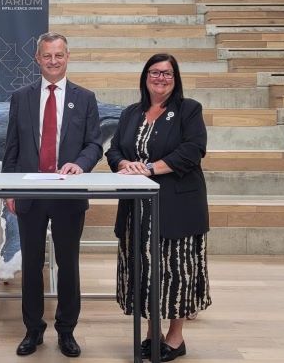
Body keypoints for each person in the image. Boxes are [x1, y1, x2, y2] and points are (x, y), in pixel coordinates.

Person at [3, 32, 103, 358]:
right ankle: (33, 330)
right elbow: (12, 150)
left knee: (68, 264)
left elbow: (94, 145)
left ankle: (66, 331)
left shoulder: (85, 98)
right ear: (38, 59)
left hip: (68, 195)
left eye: (59, 55)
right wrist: (9, 189)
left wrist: (80, 163)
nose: (53, 61)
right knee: (31, 266)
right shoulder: (21, 97)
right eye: (47, 55)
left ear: (67, 56)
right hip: (30, 193)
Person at [107, 53, 211, 362]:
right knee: (145, 270)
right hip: (137, 210)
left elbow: (193, 150)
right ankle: (153, 334)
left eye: (167, 73)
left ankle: (176, 338)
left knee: (176, 271)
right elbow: (113, 150)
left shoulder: (188, 110)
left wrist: (150, 168)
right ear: (145, 77)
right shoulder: (131, 112)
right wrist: (125, 164)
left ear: (175, 78)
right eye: (155, 72)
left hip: (177, 205)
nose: (160, 78)